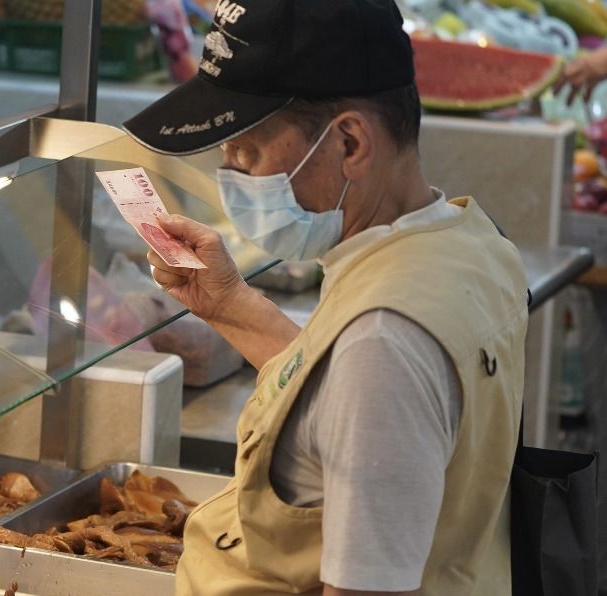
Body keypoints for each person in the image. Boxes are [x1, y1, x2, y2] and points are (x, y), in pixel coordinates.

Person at [122, 1, 528, 594]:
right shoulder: (465, 243)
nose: (230, 172)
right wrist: (231, 303)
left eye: (248, 150)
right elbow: (341, 402)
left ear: (350, 143)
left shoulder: (385, 339)